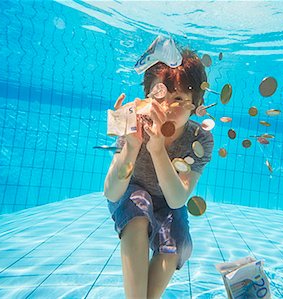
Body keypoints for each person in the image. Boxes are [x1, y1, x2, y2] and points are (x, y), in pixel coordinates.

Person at [103, 36, 214, 299]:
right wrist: (132, 145)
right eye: (158, 95)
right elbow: (111, 192)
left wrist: (157, 149)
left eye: (177, 98)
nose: (165, 107)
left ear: (196, 105)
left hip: (168, 201)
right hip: (130, 192)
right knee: (137, 207)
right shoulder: (134, 123)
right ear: (145, 97)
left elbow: (177, 199)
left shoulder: (200, 139)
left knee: (176, 241)